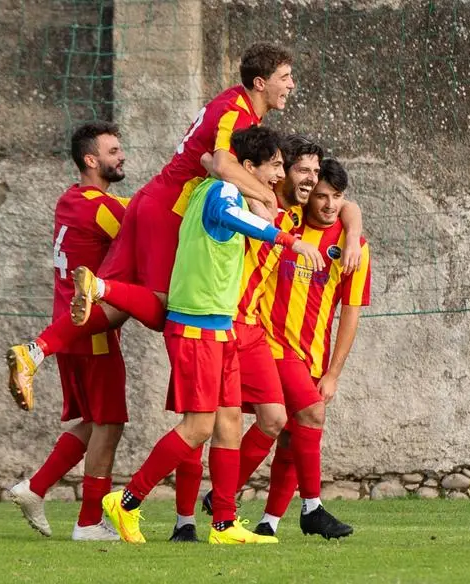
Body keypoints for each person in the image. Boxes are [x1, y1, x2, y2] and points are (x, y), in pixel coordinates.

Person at [6, 42, 331, 408]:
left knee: (110, 315)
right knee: (166, 310)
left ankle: (33, 351)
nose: (292, 85)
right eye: (285, 78)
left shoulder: (233, 107)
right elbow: (223, 165)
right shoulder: (236, 111)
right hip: (167, 211)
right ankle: (99, 286)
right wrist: (266, 198)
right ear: (260, 82)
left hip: (150, 203)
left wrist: (250, 190)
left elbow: (210, 158)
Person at [102, 127, 318, 544]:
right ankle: (125, 501)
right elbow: (231, 218)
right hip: (196, 324)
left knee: (230, 424)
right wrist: (289, 240)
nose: (278, 175)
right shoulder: (222, 194)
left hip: (218, 326)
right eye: (274, 166)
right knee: (199, 427)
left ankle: (223, 524)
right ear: (249, 167)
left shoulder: (222, 188)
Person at [7, 122, 129, 542]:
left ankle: (35, 488)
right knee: (109, 424)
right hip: (91, 331)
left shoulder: (71, 200)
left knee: (95, 422)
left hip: (68, 327)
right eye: (114, 151)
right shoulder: (105, 208)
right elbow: (147, 227)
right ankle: (89, 521)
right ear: (91, 160)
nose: (122, 156)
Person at [253, 157, 371, 539]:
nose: (329, 205)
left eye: (337, 197)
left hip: (313, 358)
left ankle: (267, 523)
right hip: (270, 343)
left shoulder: (354, 247)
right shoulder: (289, 222)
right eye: (321, 196)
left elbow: (350, 314)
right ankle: (312, 508)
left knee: (289, 434)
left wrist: (334, 373)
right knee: (311, 415)